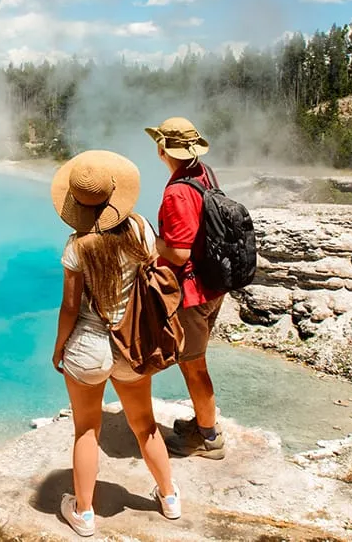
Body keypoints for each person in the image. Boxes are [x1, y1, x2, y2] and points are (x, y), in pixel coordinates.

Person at [49, 149, 181, 537]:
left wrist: (59, 348)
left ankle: (84, 514)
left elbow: (70, 308)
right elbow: (152, 272)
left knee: (86, 430)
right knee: (145, 425)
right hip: (132, 344)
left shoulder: (77, 246)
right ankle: (169, 497)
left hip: (88, 348)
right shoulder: (139, 229)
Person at [145, 117, 228, 460]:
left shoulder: (178, 191)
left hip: (192, 293)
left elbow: (178, 253)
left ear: (162, 149)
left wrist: (153, 243)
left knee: (193, 365)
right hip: (214, 282)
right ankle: (202, 421)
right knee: (194, 361)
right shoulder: (203, 173)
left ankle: (208, 438)